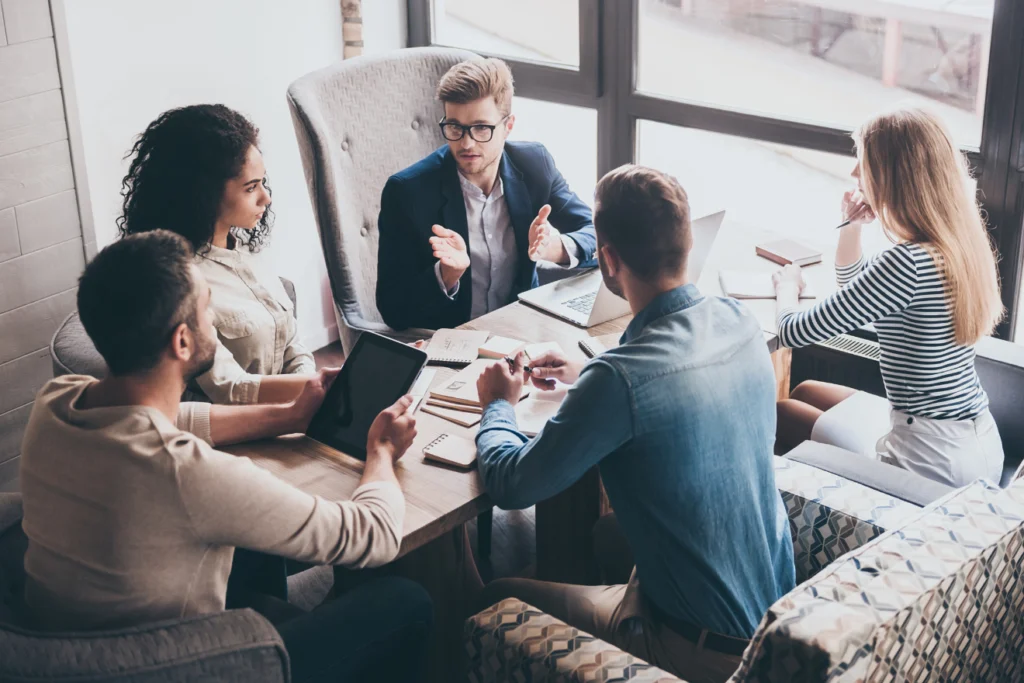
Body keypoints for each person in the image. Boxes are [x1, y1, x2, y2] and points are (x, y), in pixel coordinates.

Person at [19, 231, 432, 683]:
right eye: (207, 307)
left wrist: (288, 416)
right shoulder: (184, 473)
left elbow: (177, 418)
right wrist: (381, 451)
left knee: (252, 547)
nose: (213, 318)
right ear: (182, 342)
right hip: (175, 665)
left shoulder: (57, 400)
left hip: (63, 646)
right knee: (406, 601)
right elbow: (370, 537)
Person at [473, 165, 795, 683]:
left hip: (701, 654)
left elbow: (512, 484)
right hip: (776, 626)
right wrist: (589, 372)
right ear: (688, 244)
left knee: (492, 600)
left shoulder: (618, 381)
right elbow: (664, 374)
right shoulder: (738, 321)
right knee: (603, 537)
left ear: (607, 260)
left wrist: (497, 404)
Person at [773, 108, 1004, 488]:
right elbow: (858, 289)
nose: (853, 173)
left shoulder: (907, 263)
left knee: (783, 412)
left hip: (930, 458)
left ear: (892, 176)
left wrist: (787, 286)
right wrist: (852, 224)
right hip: (974, 440)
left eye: (862, 163)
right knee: (805, 390)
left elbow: (793, 332)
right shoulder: (957, 244)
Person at [376, 57, 598, 330]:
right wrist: (446, 275)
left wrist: (553, 248)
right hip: (450, 343)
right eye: (455, 127)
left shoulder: (535, 165)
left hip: (523, 334)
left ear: (509, 126)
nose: (466, 143)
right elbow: (392, 308)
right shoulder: (407, 192)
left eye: (481, 127)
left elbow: (595, 231)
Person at [118, 104, 315, 405]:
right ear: (203, 195)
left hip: (294, 412)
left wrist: (314, 391)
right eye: (251, 188)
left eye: (263, 182)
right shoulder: (181, 284)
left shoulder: (245, 253)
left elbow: (292, 343)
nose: (266, 197)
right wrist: (321, 387)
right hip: (241, 431)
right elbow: (230, 388)